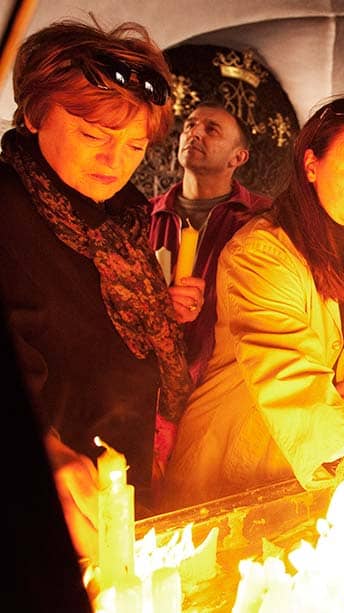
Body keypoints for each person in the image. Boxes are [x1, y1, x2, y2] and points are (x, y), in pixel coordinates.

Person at [162, 97, 344, 559]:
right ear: (312, 165)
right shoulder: (262, 252)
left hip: (310, 464)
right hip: (232, 467)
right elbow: (288, 376)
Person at [0, 19, 193, 559]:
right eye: (92, 135)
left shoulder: (124, 219)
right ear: (35, 115)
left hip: (125, 487)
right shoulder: (8, 213)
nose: (116, 161)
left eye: (135, 144)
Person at [148, 101, 272, 472]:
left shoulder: (261, 219)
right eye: (189, 125)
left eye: (212, 129)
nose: (195, 133)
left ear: (238, 157)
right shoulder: (145, 215)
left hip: (223, 387)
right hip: (154, 390)